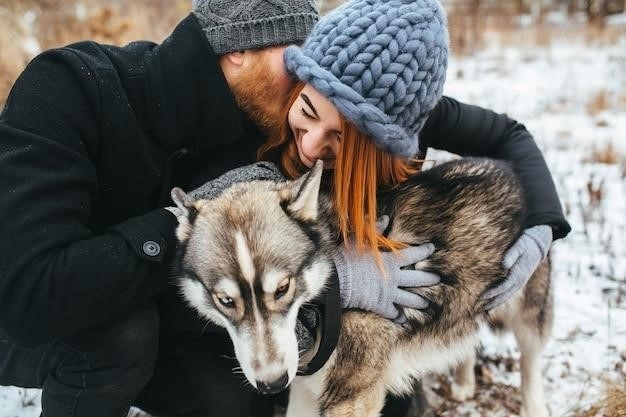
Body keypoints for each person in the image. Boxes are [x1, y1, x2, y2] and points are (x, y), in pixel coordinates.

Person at [0, 0, 570, 416]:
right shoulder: (70, 86)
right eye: (297, 69)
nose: (308, 80)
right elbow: (28, 298)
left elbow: (507, 134)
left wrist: (542, 223)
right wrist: (194, 224)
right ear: (242, 51)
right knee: (126, 338)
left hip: (217, 309)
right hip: (61, 316)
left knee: (370, 399)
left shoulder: (328, 97)